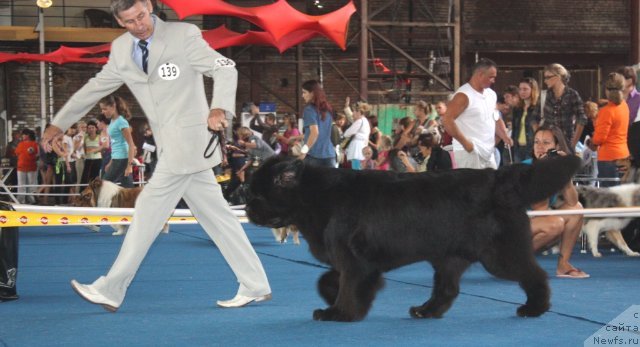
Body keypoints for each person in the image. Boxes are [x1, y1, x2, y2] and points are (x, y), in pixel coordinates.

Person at [41, 0, 270, 311]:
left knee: (148, 209)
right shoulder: (121, 50)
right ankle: (255, 284)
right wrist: (57, 125)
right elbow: (93, 90)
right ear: (120, 23)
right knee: (218, 218)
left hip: (190, 143)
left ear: (148, 6)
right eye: (130, 21)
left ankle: (112, 287)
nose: (140, 24)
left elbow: (225, 67)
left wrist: (219, 107)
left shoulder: (184, 34)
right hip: (172, 148)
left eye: (141, 15)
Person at [526, 125, 589, 279]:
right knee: (554, 223)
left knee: (577, 210)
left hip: (530, 225)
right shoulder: (526, 167)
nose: (540, 147)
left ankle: (563, 265)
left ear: (557, 147)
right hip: (508, 231)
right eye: (536, 142)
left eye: (546, 143)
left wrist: (564, 174)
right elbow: (540, 210)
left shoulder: (555, 166)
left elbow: (573, 202)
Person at [441, 58, 512, 169]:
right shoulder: (463, 95)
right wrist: (466, 143)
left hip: (489, 152)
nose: (493, 80)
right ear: (480, 75)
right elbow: (446, 119)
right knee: (471, 186)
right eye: (491, 77)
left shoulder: (491, 94)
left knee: (492, 185)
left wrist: (504, 136)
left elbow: (496, 118)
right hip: (468, 152)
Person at [588, 73, 630, 187]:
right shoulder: (624, 106)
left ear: (606, 90)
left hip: (608, 158)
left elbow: (599, 138)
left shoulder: (606, 111)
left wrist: (592, 141)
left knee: (608, 196)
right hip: (624, 155)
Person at [537, 63, 587, 151]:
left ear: (558, 77)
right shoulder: (544, 95)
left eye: (548, 77)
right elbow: (534, 118)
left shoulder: (572, 94)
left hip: (566, 142)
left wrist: (573, 144)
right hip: (547, 143)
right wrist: (539, 139)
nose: (545, 81)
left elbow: (581, 119)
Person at [98, 94, 136, 188]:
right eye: (102, 109)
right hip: (117, 158)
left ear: (113, 106)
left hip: (122, 159)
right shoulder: (112, 121)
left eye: (105, 109)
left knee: (103, 185)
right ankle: (137, 201)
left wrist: (130, 166)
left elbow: (131, 145)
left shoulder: (121, 122)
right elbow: (115, 144)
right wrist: (111, 162)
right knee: (127, 187)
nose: (102, 112)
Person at [298, 80, 336, 167]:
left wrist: (303, 151)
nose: (302, 95)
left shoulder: (309, 110)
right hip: (330, 155)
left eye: (304, 92)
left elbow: (315, 133)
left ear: (312, 93)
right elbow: (322, 133)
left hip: (314, 155)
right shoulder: (328, 109)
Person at [511, 77, 540, 163]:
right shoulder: (517, 109)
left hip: (531, 147)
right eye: (520, 89)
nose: (522, 92)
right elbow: (514, 129)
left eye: (525, 89)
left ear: (533, 90)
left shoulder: (537, 108)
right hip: (518, 147)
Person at [342, 102, 371, 170]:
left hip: (356, 150)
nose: (353, 113)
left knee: (356, 171)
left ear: (359, 112)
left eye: (354, 111)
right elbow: (352, 119)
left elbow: (347, 133)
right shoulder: (365, 121)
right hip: (362, 149)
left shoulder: (359, 121)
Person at [15, 129, 39, 204]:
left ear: (27, 135)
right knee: (27, 185)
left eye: (23, 134)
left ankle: (24, 200)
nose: (22, 136)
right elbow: (17, 153)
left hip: (28, 167)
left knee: (26, 185)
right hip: (24, 167)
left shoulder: (34, 144)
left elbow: (17, 153)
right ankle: (25, 200)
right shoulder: (22, 144)